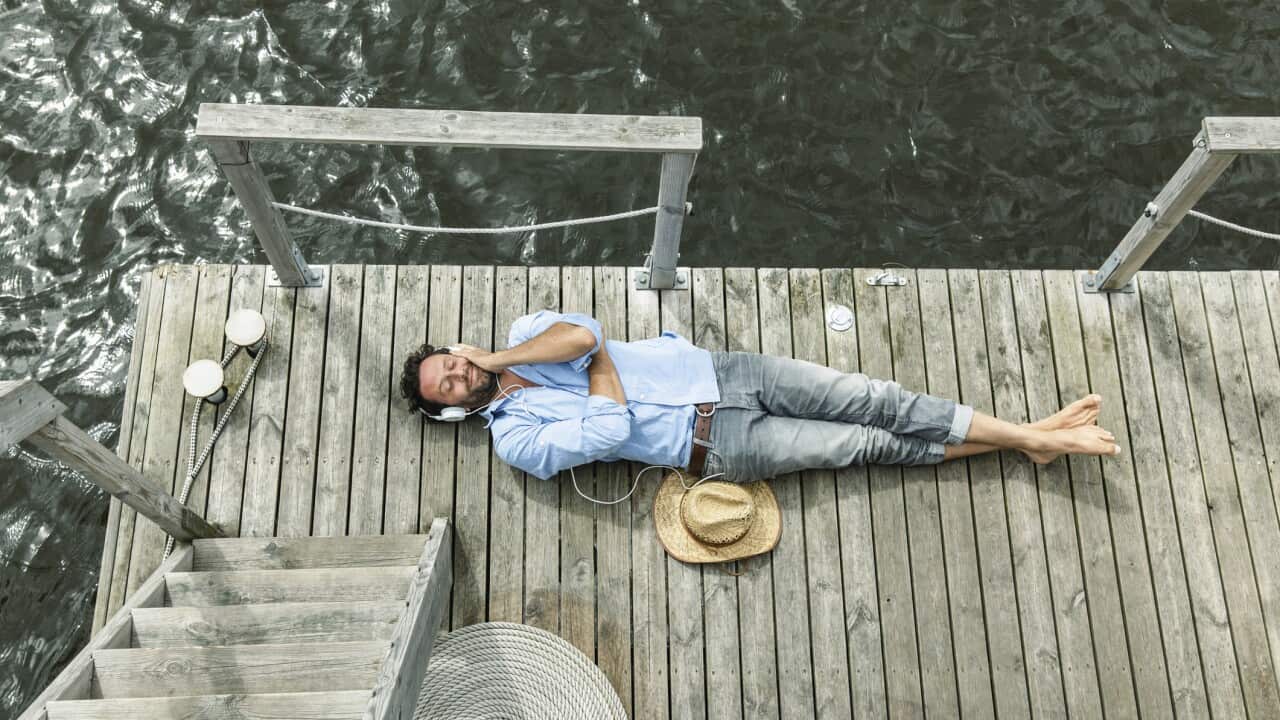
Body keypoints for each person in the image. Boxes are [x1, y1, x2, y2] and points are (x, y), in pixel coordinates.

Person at [399, 310, 1120, 486]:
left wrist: (503, 358)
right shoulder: (515, 443)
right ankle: (1031, 439)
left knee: (878, 398)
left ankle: (1032, 439)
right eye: (448, 387)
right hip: (717, 445)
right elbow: (608, 426)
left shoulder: (519, 338)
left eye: (452, 364)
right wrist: (598, 362)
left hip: (724, 372)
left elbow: (581, 333)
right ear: (451, 411)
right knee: (865, 444)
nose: (459, 376)